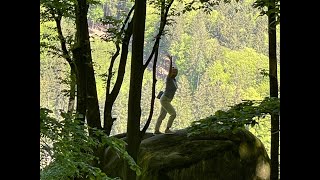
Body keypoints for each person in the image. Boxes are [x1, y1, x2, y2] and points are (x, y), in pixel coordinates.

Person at [154, 54, 178, 135]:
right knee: (173, 114)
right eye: (173, 71)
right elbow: (170, 72)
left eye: (176, 71)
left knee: (162, 116)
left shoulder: (174, 80)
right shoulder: (169, 79)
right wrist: (171, 61)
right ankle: (167, 129)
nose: (174, 72)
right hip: (165, 99)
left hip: (167, 100)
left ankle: (156, 131)